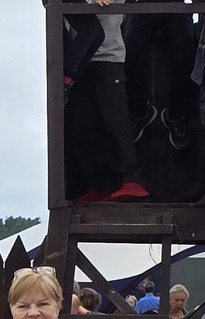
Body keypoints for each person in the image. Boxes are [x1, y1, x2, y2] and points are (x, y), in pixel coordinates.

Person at [68, 0, 149, 203]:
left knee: (116, 122)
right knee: (82, 127)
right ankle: (98, 183)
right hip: (78, 60)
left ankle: (132, 179)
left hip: (108, 58)